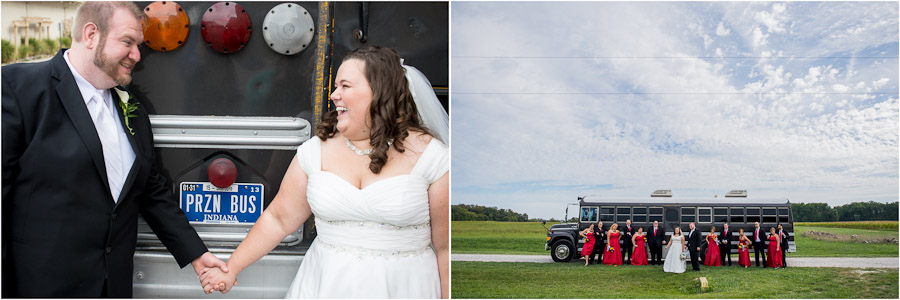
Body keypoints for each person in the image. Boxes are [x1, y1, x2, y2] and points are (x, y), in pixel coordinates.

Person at [0, 2, 227, 297]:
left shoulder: (132, 107)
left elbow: (150, 189)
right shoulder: (18, 88)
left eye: (139, 45)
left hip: (113, 286)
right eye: (127, 42)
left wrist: (196, 255)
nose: (136, 55)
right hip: (40, 286)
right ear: (91, 34)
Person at [199, 46, 449, 298]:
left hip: (405, 287)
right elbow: (278, 219)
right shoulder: (314, 151)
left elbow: (446, 248)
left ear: (379, 92)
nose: (334, 95)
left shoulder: (431, 156)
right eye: (335, 86)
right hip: (327, 285)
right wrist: (231, 268)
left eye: (345, 86)